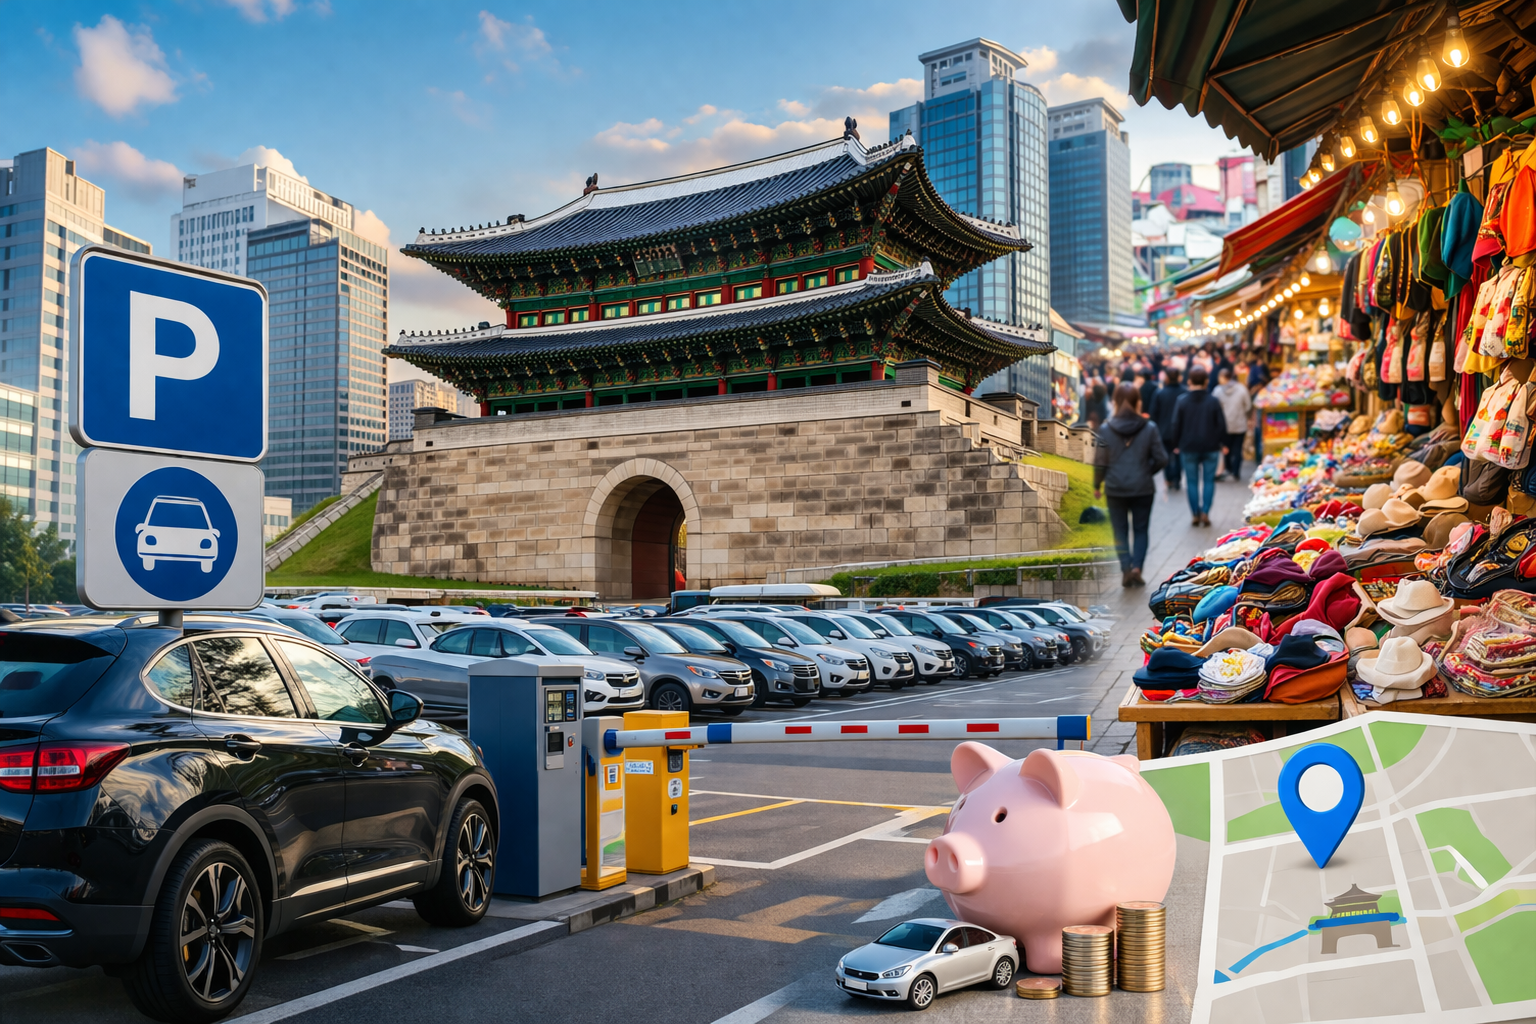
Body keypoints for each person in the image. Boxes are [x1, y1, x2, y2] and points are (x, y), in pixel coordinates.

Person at [1093, 384, 1168, 588]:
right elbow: (1161, 458)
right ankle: (1137, 568)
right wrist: (1146, 471)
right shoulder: (1149, 428)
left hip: (1115, 488)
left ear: (1115, 402)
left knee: (1120, 531)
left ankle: (1126, 569)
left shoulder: (1105, 429)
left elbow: (1100, 461)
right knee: (1141, 529)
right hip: (1143, 487)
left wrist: (1097, 485)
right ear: (1138, 402)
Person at [1167, 367, 1228, 526]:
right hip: (1211, 446)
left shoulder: (1182, 401)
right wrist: (1223, 443)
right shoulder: (1213, 401)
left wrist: (1175, 444)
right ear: (1206, 381)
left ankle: (1195, 513)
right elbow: (1221, 424)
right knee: (1209, 481)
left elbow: (1175, 424)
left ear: (1189, 381)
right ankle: (1205, 512)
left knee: (1191, 482)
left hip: (1188, 446)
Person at [1148, 368, 1186, 490]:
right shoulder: (1185, 392)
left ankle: (1169, 478)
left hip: (1164, 430)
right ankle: (1177, 478)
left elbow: (1153, 413)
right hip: (1181, 431)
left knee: (1166, 455)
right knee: (1179, 455)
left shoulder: (1160, 393)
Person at [1212, 368, 1252, 481]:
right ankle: (1236, 472)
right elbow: (1248, 406)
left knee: (1226, 448)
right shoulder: (1242, 389)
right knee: (1238, 449)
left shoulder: (1217, 391)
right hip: (1240, 424)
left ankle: (1228, 468)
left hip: (1224, 425)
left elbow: (1213, 407)